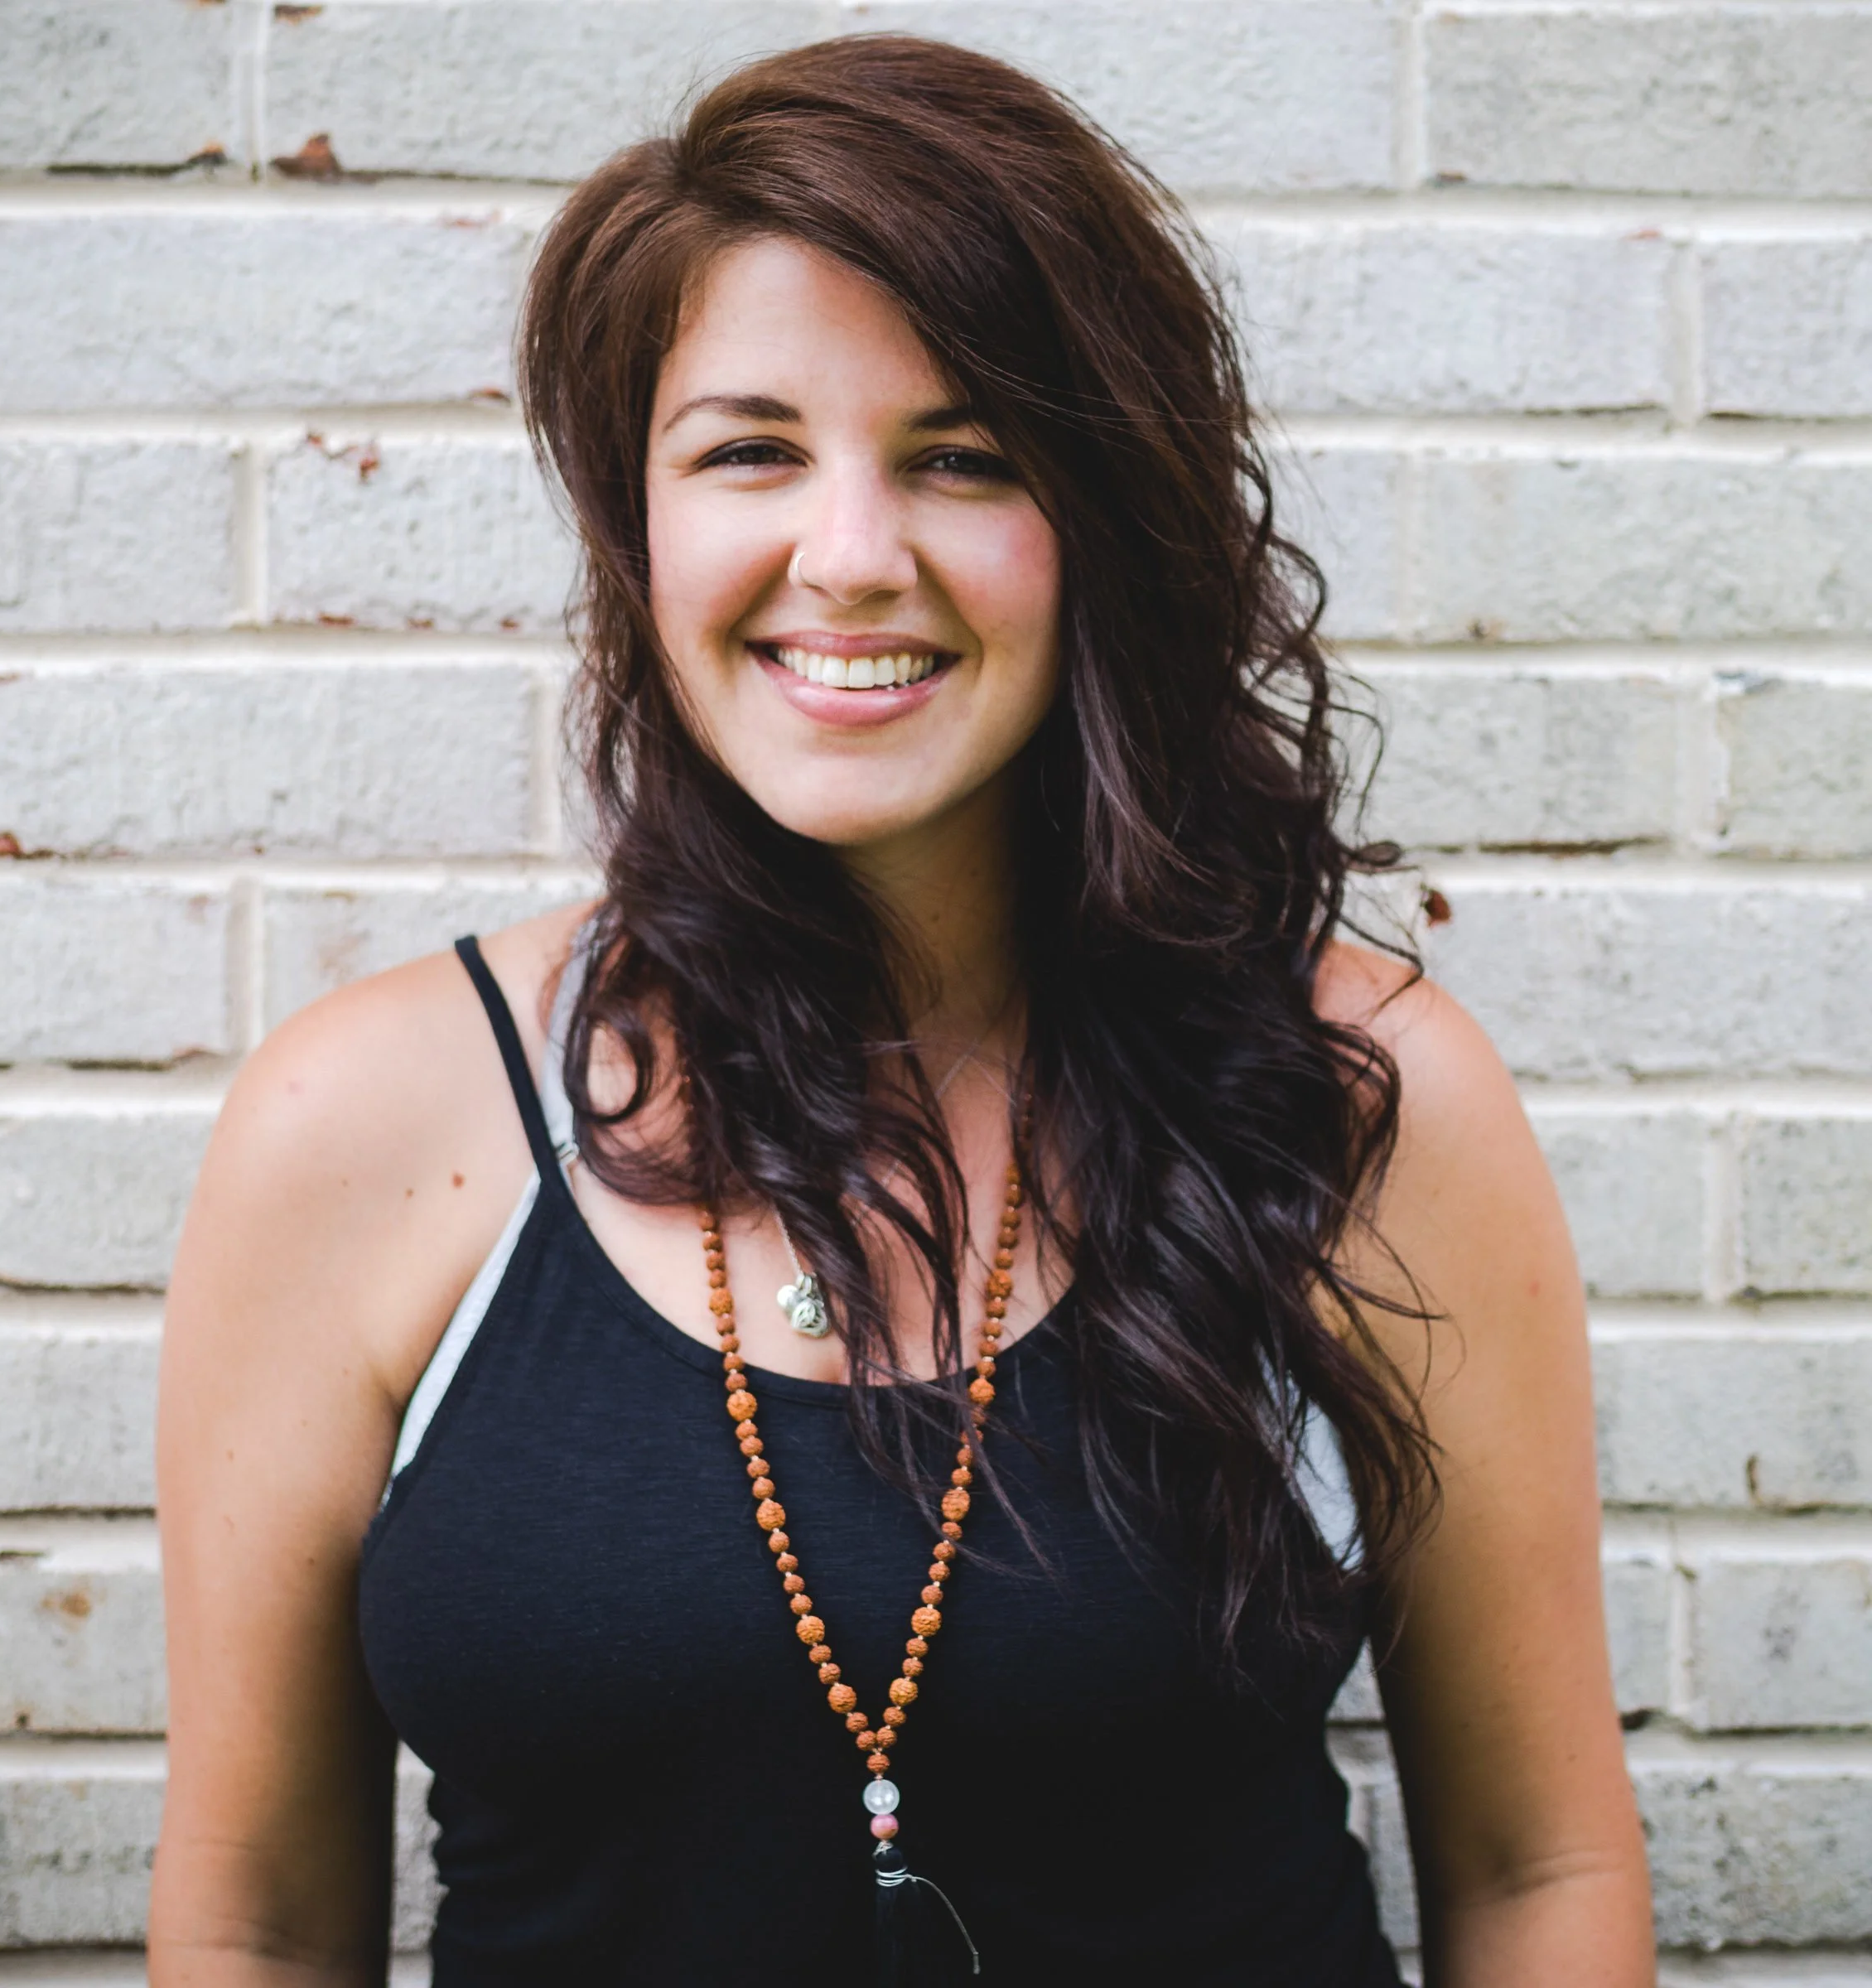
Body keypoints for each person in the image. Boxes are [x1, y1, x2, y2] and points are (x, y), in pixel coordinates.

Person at [150, 34, 1653, 1987]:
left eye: (962, 455)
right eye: (750, 449)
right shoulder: (362, 1126)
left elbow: (1542, 1873)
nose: (849, 557)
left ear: (1104, 517)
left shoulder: (1364, 1102)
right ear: (640, 521)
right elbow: (258, 1921)